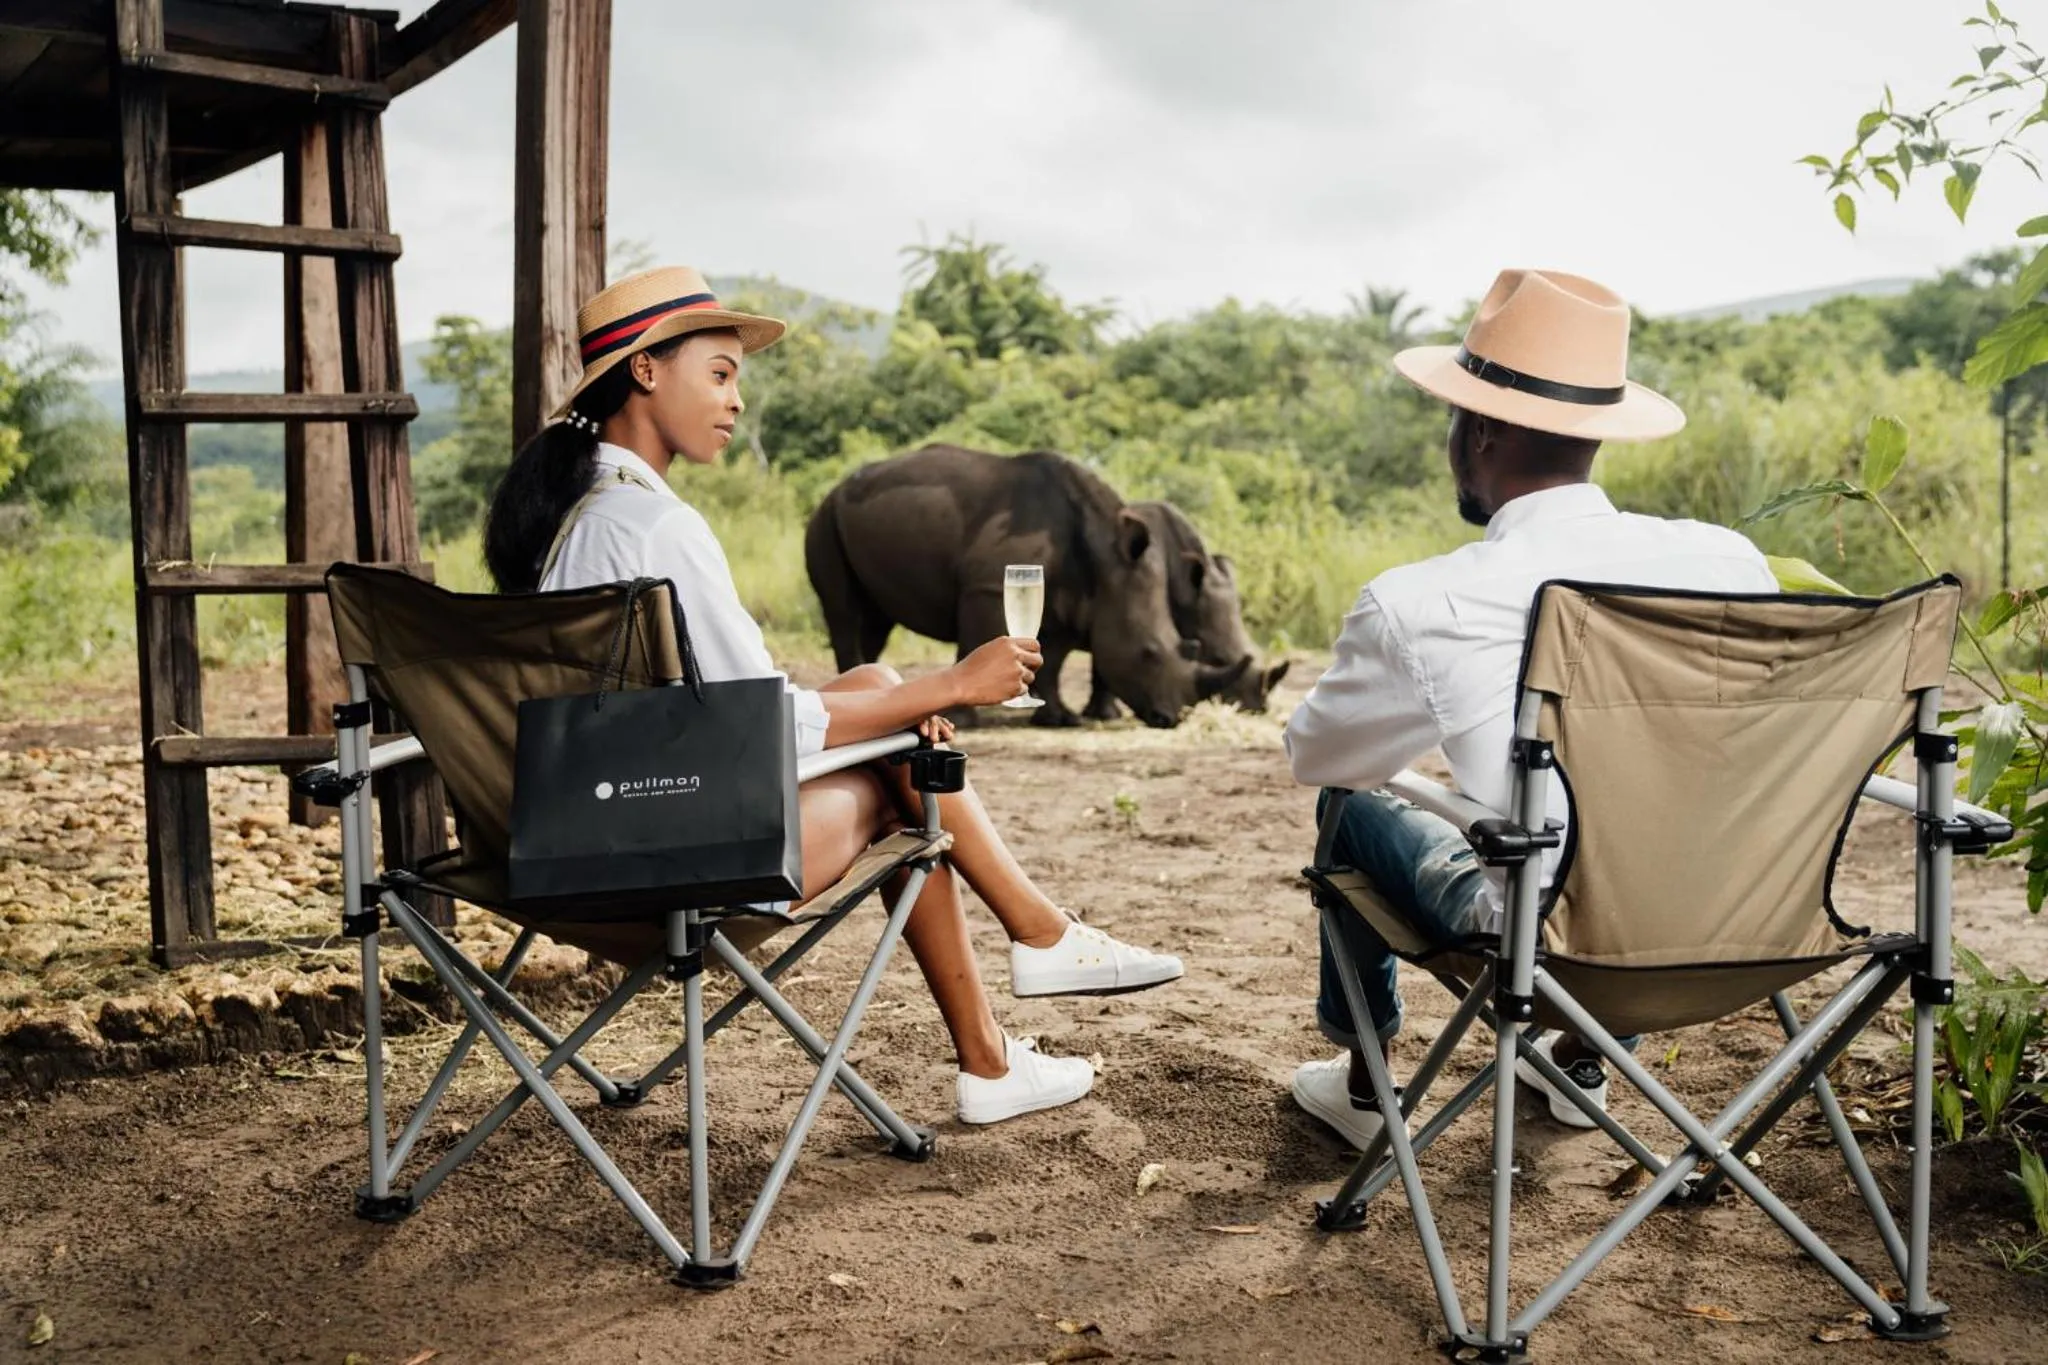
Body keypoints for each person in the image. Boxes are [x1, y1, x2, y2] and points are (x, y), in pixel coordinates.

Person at [483, 266, 1183, 1126]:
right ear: (646, 371)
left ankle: (1024, 981)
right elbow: (766, 723)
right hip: (661, 867)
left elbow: (732, 712)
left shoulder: (582, 515)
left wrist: (895, 696)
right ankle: (1026, 974)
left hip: (583, 829)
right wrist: (956, 683)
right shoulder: (658, 526)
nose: (738, 400)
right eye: (721, 373)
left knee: (876, 689)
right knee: (904, 773)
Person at [1282, 268, 1778, 1146]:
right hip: (1751, 926)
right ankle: (1582, 1061)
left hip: (1553, 950)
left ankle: (1366, 1092)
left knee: (1352, 805)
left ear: (1477, 429)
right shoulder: (1730, 562)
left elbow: (1320, 756)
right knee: (1651, 818)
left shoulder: (1426, 601)